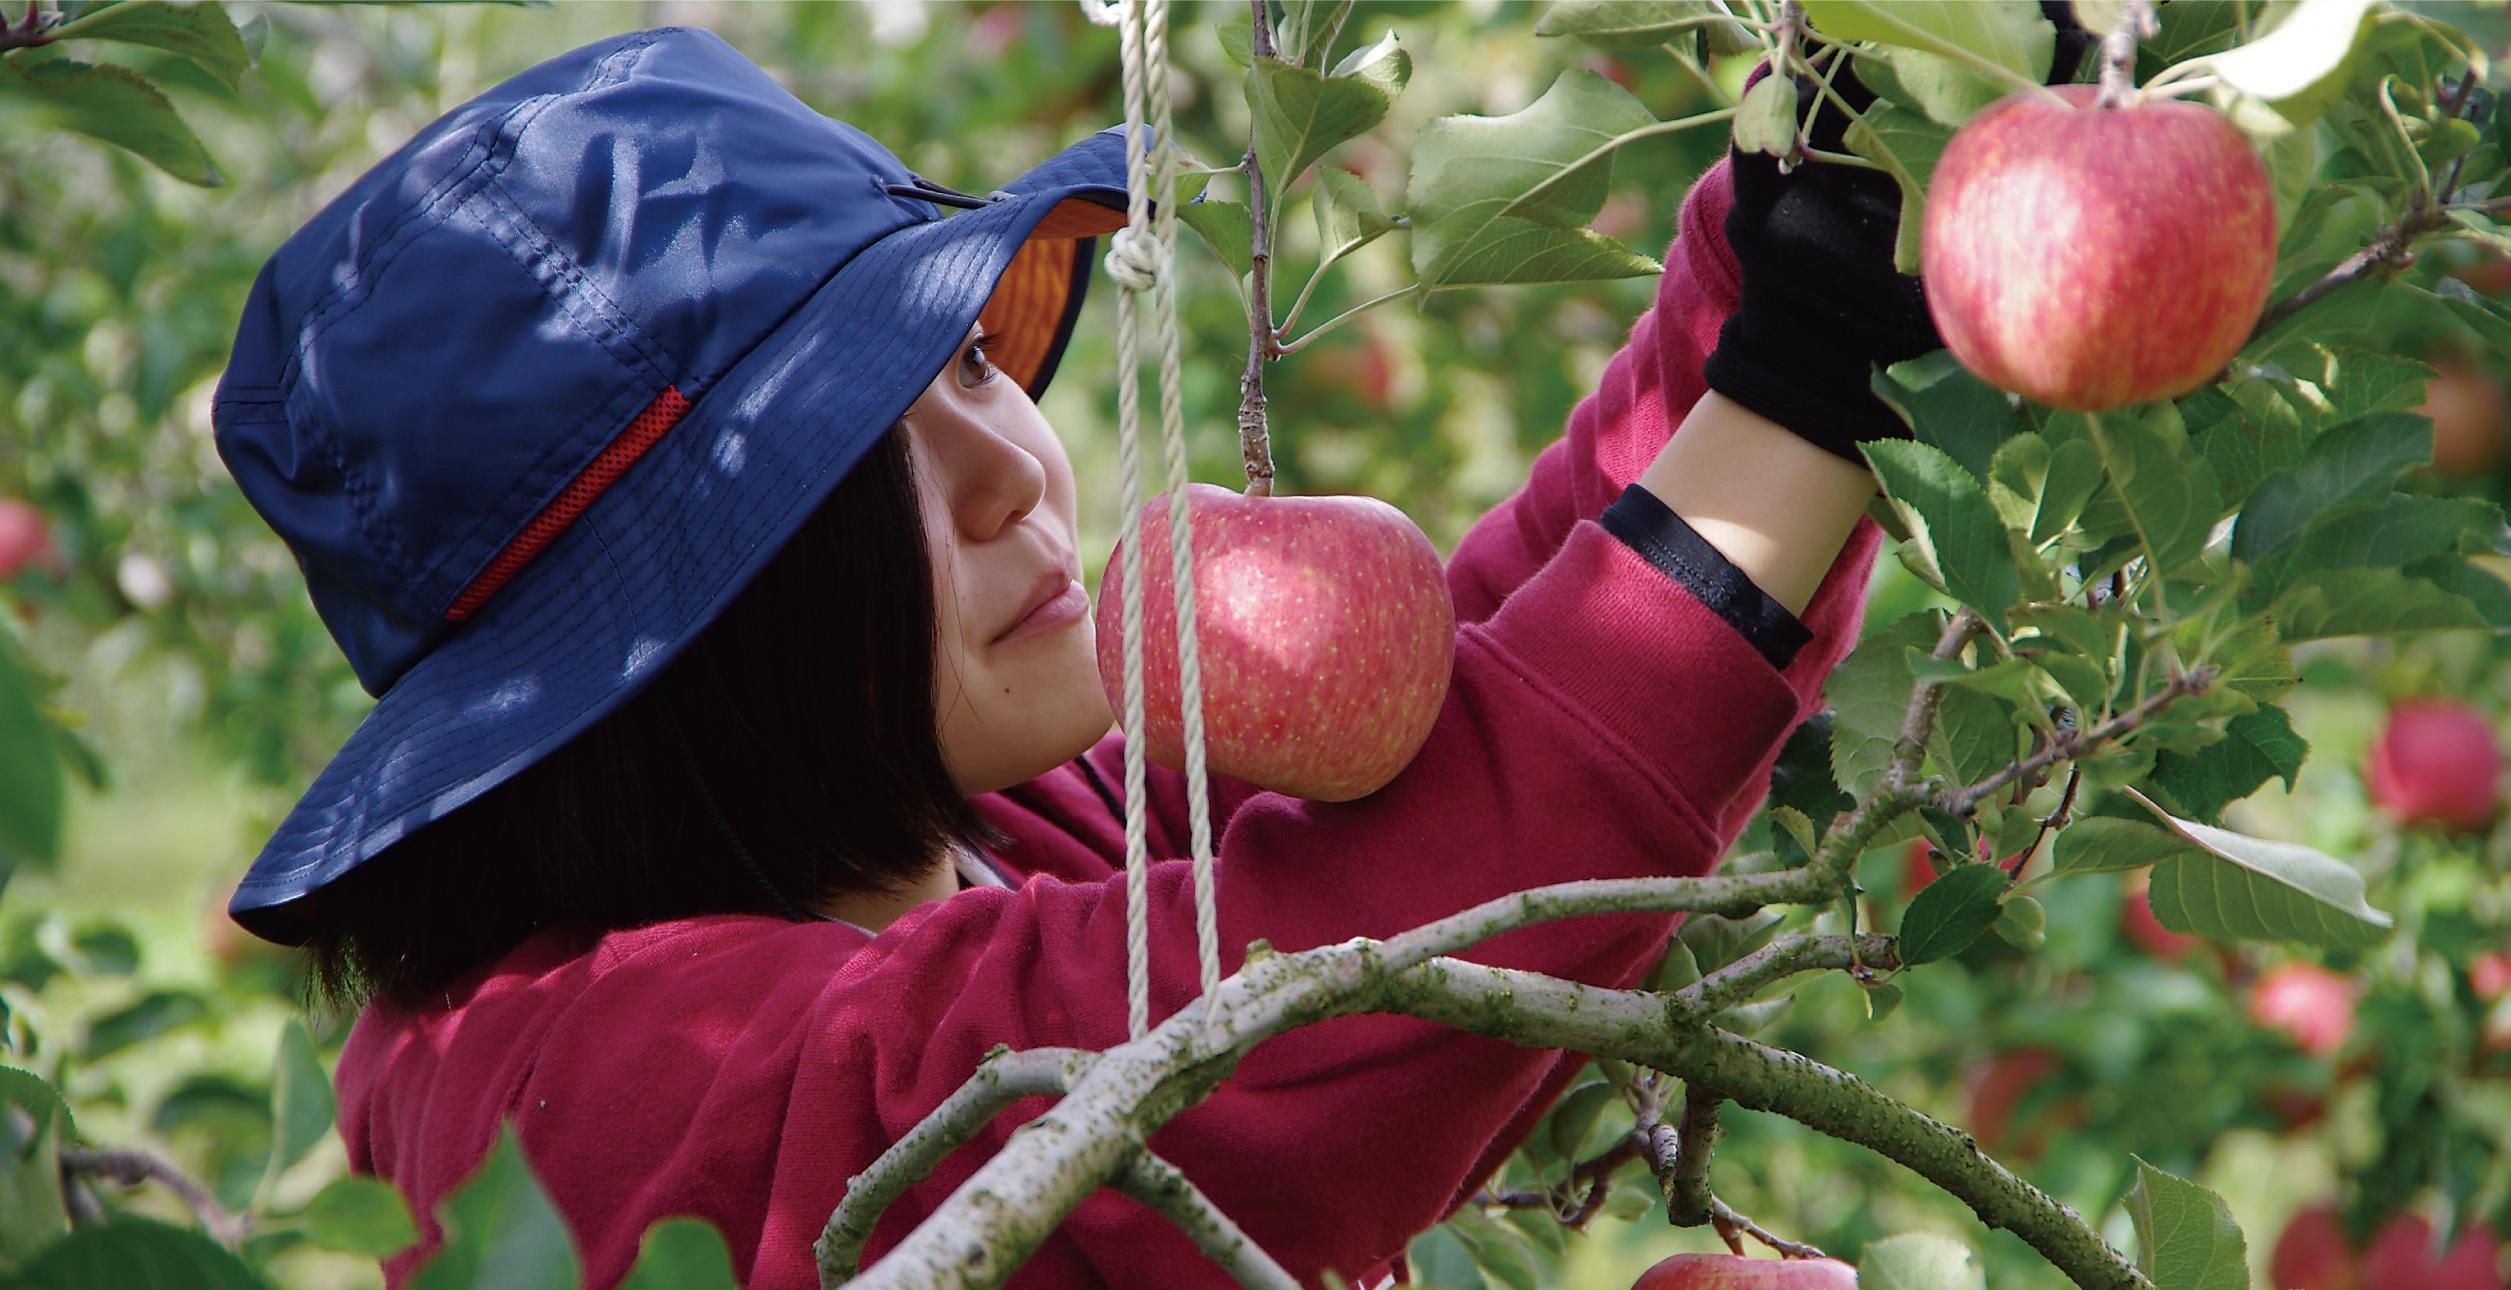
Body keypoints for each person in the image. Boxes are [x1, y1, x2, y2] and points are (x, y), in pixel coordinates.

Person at [213, 22, 1954, 1290]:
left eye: (971, 360)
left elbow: (1463, 697)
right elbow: (1282, 1041)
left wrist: (1777, 229)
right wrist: (1795, 395)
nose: (1010, 472)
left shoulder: (977, 831)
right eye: (843, 462)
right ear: (670, 646)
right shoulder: (578, 1083)